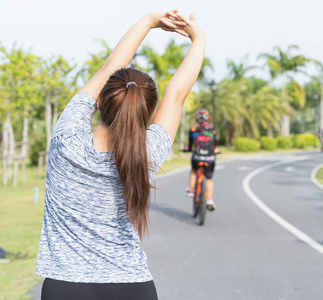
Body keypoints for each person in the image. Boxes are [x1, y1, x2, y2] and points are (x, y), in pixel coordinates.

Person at [36, 10, 205, 299]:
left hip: (65, 286)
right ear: (146, 113)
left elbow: (110, 68)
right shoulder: (146, 155)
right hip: (131, 287)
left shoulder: (66, 139)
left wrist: (150, 20)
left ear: (100, 100)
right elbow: (176, 95)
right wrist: (198, 38)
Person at [184, 109, 217, 211]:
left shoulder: (193, 129)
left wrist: (188, 149)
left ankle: (192, 190)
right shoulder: (212, 130)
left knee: (194, 170)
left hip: (197, 157)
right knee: (209, 179)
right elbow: (214, 145)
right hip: (210, 157)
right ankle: (209, 200)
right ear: (208, 118)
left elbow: (190, 144)